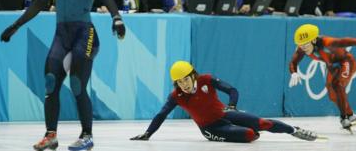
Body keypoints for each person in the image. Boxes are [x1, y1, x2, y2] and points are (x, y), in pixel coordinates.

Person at [0, 0, 126, 151]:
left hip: (84, 35)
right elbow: (39, 3)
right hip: (62, 35)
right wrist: (16, 25)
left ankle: (87, 135)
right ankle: (51, 135)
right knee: (50, 82)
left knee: (77, 85)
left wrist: (116, 18)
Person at [130, 61, 318, 143]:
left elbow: (232, 90)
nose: (183, 85)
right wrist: (148, 133)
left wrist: (233, 105)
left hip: (225, 114)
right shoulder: (176, 96)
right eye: (179, 82)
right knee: (251, 135)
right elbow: (161, 114)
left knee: (263, 123)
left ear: (193, 76)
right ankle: (249, 131)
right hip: (211, 129)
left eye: (185, 80)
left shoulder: (206, 80)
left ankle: (295, 131)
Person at [289, 24, 356, 130]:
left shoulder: (328, 43)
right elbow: (293, 62)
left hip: (346, 61)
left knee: (337, 84)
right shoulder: (302, 49)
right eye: (300, 45)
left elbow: (352, 41)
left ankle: (343, 118)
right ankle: (351, 115)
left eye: (305, 45)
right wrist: (294, 73)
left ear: (314, 40)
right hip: (332, 66)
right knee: (332, 95)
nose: (303, 49)